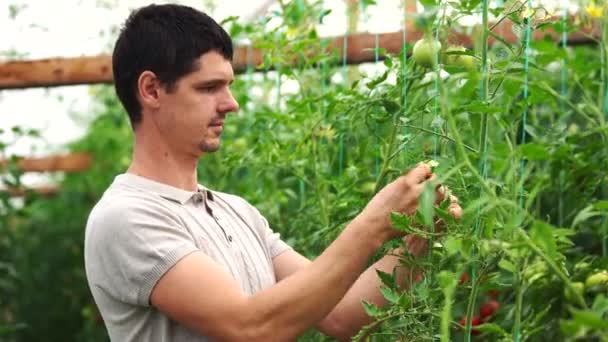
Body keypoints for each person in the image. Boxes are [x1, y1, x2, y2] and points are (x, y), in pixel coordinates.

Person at [83, 3, 462, 342]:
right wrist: (373, 223)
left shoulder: (237, 212)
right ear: (151, 90)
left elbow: (343, 314)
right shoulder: (126, 217)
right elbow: (250, 327)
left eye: (228, 86)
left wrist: (420, 242)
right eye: (209, 87)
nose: (230, 104)